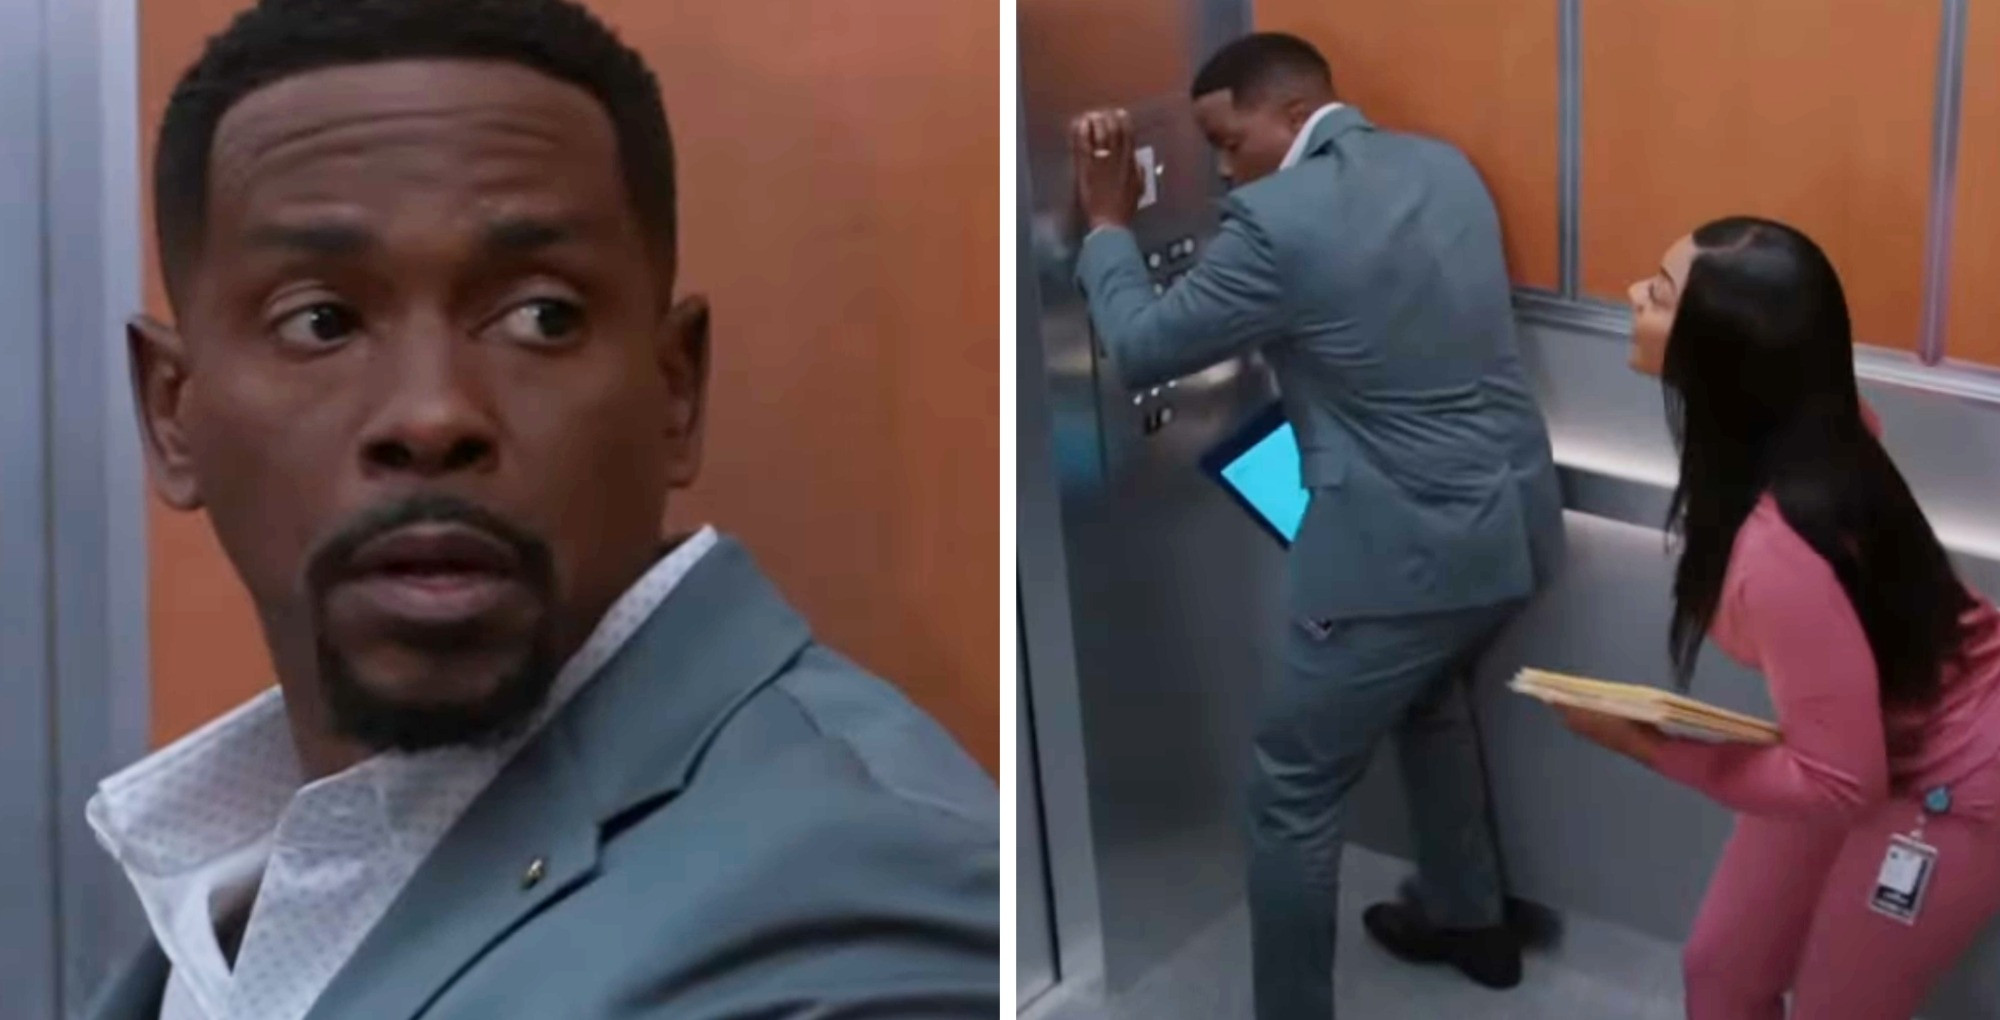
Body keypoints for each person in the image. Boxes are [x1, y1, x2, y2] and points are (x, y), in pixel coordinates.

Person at [85, 2, 999, 1018]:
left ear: (676, 391)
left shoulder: (863, 905)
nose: (432, 415)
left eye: (541, 316)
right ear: (172, 414)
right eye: (321, 321)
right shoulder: (235, 888)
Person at [1068, 31, 1564, 1020]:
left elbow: (1143, 347)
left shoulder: (1276, 220)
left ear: (1291, 113)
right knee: (1430, 695)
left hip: (1398, 557)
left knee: (1289, 789)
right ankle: (1470, 921)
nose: (1222, 169)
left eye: (1228, 140)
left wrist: (1106, 225)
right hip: (1515, 519)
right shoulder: (1444, 168)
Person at [1552, 216, 2000, 1019]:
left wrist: (1649, 746)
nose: (1633, 295)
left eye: (1661, 293)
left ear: (1720, 353)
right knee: (1721, 974)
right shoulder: (1806, 420)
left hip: (1957, 777)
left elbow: (1838, 785)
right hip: (1858, 746)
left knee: (1838, 1008)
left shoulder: (1778, 553)